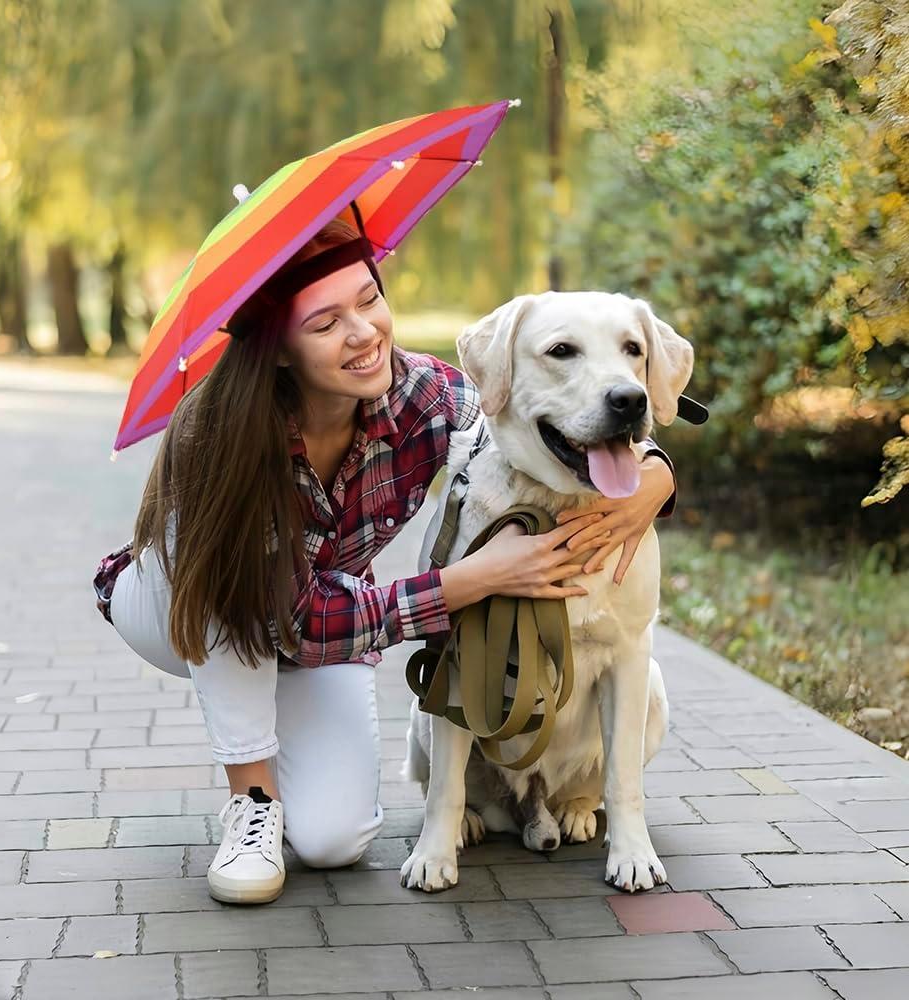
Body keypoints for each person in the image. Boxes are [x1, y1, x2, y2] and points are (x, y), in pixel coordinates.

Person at [92, 217, 678, 904]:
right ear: (279, 349)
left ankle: (274, 723)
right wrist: (468, 581)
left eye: (369, 298)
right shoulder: (219, 429)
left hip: (322, 617)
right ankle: (251, 802)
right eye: (325, 322)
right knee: (241, 599)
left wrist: (655, 480)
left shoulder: (420, 397)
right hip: (179, 604)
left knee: (333, 840)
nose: (364, 331)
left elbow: (517, 425)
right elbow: (296, 620)